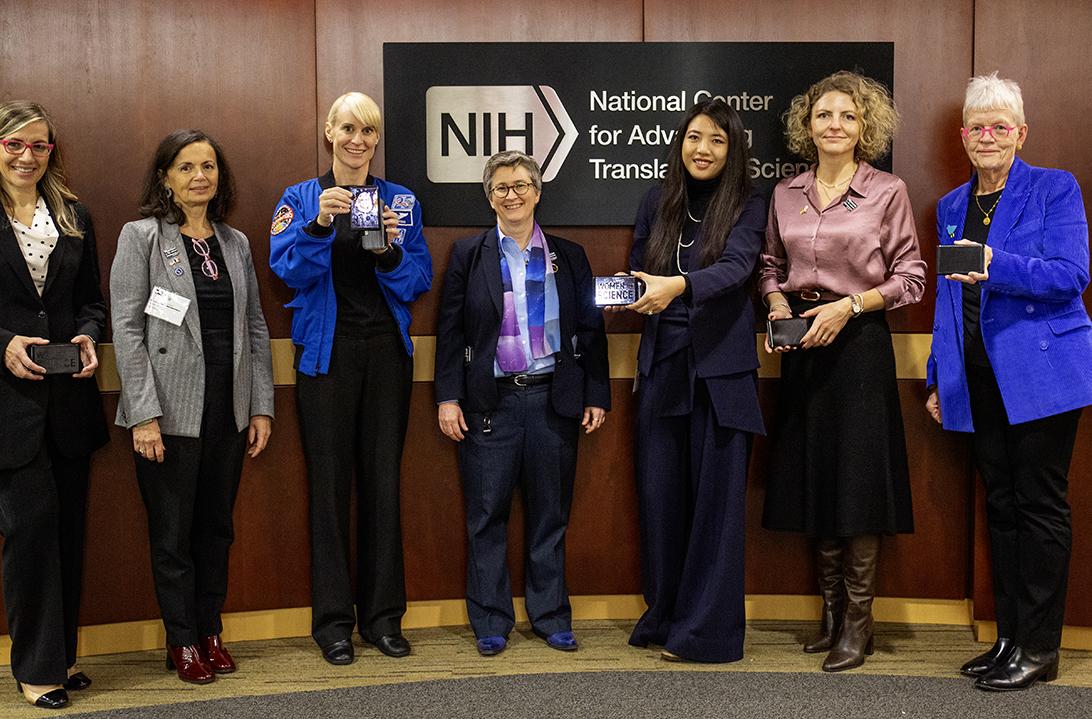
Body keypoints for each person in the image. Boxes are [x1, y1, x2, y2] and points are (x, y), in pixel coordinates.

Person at [926, 73, 1092, 691]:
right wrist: (939, 377)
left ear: (1020, 134)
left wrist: (995, 263)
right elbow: (946, 303)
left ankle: (1041, 648)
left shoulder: (1055, 189)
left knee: (1039, 506)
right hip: (976, 375)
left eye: (1001, 126)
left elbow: (1071, 275)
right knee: (1000, 506)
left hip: (1043, 370)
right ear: (963, 135)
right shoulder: (949, 206)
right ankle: (1009, 638)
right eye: (977, 126)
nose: (988, 136)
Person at [759, 71, 925, 672]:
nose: (835, 125)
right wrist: (778, 304)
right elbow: (770, 265)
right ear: (808, 126)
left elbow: (911, 277)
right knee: (814, 476)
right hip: (803, 345)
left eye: (848, 117)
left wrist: (849, 305)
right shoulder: (785, 193)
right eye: (824, 115)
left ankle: (859, 624)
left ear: (865, 129)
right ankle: (830, 619)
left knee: (856, 481)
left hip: (858, 344)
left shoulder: (888, 191)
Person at [0, 100, 107, 709]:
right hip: (1, 404)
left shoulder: (74, 216)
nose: (26, 156)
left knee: (67, 529)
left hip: (68, 404)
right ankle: (35, 667)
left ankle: (60, 658)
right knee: (30, 529)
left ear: (52, 151)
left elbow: (90, 300)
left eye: (38, 145)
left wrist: (89, 335)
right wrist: (2, 343)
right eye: (14, 144)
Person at [269, 92, 432, 666]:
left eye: (368, 130)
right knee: (330, 490)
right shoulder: (300, 198)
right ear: (329, 133)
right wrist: (319, 223)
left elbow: (417, 280)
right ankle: (334, 623)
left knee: (383, 485)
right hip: (326, 357)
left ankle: (384, 618)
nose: (358, 139)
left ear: (376, 139)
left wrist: (388, 249)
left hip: (387, 354)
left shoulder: (401, 200)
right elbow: (286, 268)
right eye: (347, 128)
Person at [111, 129, 274, 684]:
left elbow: (254, 327)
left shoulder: (235, 244)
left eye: (208, 166)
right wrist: (143, 414)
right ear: (166, 178)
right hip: (168, 414)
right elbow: (127, 329)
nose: (200, 176)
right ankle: (181, 642)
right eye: (186, 167)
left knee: (216, 531)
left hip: (227, 412)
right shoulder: (142, 238)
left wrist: (261, 407)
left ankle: (209, 630)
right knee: (172, 535)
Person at [434, 150, 611, 657]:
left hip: (553, 400)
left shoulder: (569, 255)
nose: (511, 195)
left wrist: (597, 392)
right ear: (488, 197)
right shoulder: (469, 254)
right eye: (500, 188)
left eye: (520, 186)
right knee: (486, 515)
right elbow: (450, 332)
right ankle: (490, 619)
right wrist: (449, 397)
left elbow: (590, 330)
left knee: (550, 515)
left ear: (537, 191)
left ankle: (551, 616)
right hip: (490, 406)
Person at [612, 100, 766, 663]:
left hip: (721, 373)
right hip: (662, 367)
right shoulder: (659, 198)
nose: (702, 149)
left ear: (733, 150)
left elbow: (738, 269)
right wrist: (630, 292)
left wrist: (674, 287)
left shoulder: (751, 202)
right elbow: (637, 260)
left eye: (717, 141)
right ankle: (669, 614)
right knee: (661, 500)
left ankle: (708, 634)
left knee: (716, 510)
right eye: (694, 137)